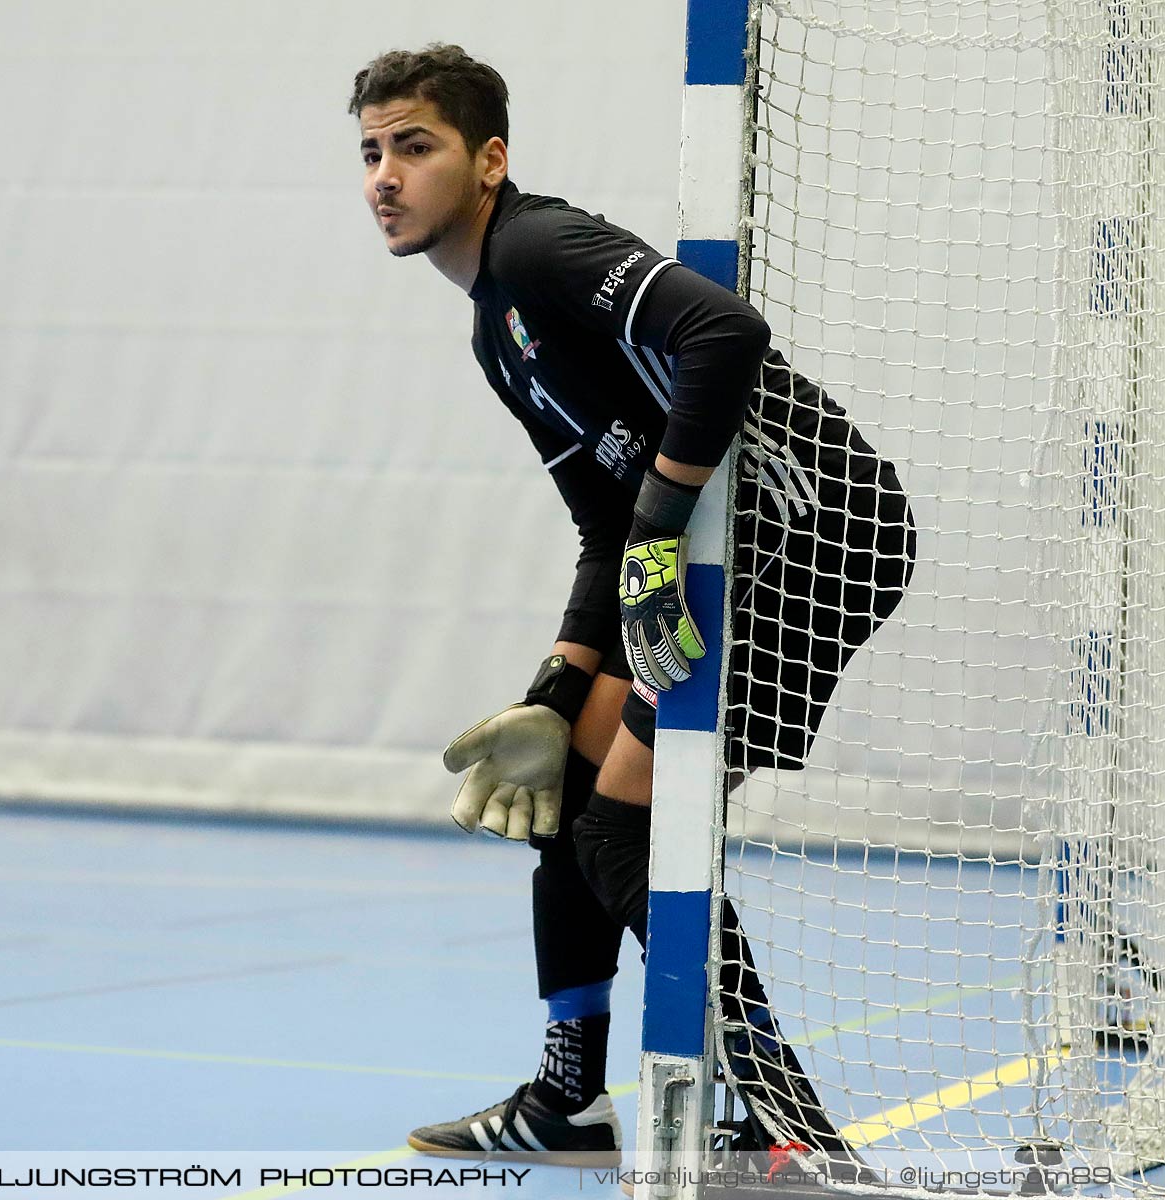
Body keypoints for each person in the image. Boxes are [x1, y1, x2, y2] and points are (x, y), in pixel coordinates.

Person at [349, 44, 916, 1169]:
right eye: (370, 152)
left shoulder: (542, 247)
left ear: (489, 159)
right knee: (564, 793)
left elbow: (723, 336)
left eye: (414, 146)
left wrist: (664, 517)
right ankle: (567, 1103)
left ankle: (786, 1135)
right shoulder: (492, 326)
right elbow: (604, 525)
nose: (384, 175)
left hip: (811, 541)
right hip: (715, 554)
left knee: (623, 829)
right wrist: (557, 686)